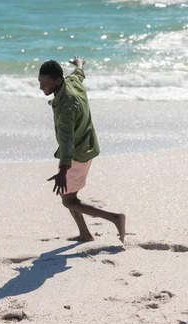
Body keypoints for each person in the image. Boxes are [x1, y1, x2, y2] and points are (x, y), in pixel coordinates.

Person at [38, 56, 125, 242]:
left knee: (69, 200)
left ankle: (115, 218)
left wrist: (63, 171)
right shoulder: (71, 82)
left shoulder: (65, 107)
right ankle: (85, 234)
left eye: (44, 84)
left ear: (58, 81)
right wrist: (79, 64)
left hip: (77, 153)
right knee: (68, 195)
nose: (41, 87)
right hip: (87, 144)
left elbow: (67, 141)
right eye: (40, 82)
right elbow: (79, 74)